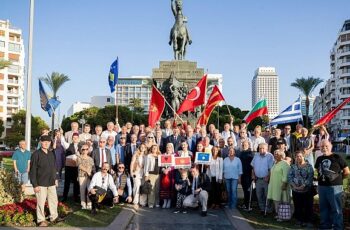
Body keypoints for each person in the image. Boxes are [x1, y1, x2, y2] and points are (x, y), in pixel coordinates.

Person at [315, 140, 349, 230]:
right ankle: (325, 227)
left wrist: (339, 180)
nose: (324, 148)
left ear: (330, 146)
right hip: (322, 187)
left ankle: (338, 227)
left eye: (326, 146)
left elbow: (347, 171)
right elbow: (318, 172)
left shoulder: (337, 157)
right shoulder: (319, 159)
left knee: (336, 209)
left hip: (335, 187)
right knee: (323, 209)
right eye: (322, 146)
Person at [29, 135, 59, 227]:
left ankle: (54, 217)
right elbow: (32, 170)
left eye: (48, 142)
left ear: (50, 143)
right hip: (40, 183)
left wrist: (56, 178)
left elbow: (54, 167)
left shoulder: (51, 153)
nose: (46, 143)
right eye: (44, 142)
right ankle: (41, 220)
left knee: (53, 201)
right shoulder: (36, 154)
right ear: (41, 142)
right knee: (41, 203)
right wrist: (35, 185)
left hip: (51, 182)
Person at [288, 151, 314, 227]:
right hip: (296, 190)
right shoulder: (293, 166)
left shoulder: (309, 166)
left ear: (304, 156)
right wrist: (294, 186)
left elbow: (310, 178)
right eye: (297, 156)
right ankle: (299, 220)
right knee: (298, 206)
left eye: (300, 156)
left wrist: (302, 186)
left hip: (306, 190)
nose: (298, 158)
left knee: (307, 206)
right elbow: (289, 177)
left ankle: (308, 221)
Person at [267, 150, 291, 220]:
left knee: (283, 200)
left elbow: (286, 175)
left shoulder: (284, 163)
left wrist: (284, 184)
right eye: (274, 154)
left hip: (281, 186)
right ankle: (278, 214)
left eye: (277, 154)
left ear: (282, 155)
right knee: (276, 200)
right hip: (274, 185)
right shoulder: (275, 163)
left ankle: (283, 216)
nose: (275, 155)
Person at [251, 143, 274, 213]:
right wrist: (253, 175)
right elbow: (253, 166)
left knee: (267, 195)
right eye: (260, 148)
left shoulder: (270, 156)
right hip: (257, 179)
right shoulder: (256, 155)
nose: (261, 150)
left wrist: (268, 177)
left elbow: (271, 168)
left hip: (265, 179)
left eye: (263, 148)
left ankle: (269, 209)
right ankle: (262, 208)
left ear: (266, 149)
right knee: (259, 195)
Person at [61, 132, 80, 202]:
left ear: (78, 139)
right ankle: (64, 197)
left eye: (76, 138)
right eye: (74, 138)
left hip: (77, 166)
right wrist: (62, 134)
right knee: (67, 182)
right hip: (69, 166)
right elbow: (63, 142)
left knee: (76, 182)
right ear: (72, 139)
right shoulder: (68, 145)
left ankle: (76, 197)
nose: (75, 139)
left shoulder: (81, 146)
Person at [237, 140, 254, 210]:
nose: (244, 146)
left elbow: (253, 165)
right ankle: (245, 203)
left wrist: (253, 174)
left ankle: (248, 205)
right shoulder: (240, 153)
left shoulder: (251, 154)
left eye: (245, 144)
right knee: (244, 189)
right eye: (243, 145)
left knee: (247, 190)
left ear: (248, 145)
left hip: (248, 174)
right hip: (242, 174)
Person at [76, 144, 94, 210]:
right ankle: (83, 204)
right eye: (83, 149)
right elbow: (80, 166)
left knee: (89, 189)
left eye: (86, 149)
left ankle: (89, 204)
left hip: (89, 177)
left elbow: (91, 167)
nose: (85, 150)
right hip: (81, 176)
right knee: (82, 190)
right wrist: (87, 171)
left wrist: (89, 172)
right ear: (81, 150)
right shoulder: (79, 157)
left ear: (88, 150)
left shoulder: (90, 159)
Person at [160, 143, 176, 208]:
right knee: (164, 187)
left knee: (170, 187)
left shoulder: (175, 155)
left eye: (170, 147)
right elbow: (161, 164)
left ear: (172, 148)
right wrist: (164, 169)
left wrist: (168, 169)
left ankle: (169, 201)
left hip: (171, 173)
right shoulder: (163, 155)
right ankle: (164, 201)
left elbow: (175, 164)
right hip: (164, 174)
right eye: (167, 147)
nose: (168, 148)